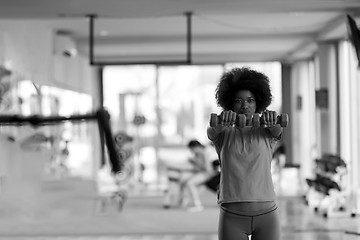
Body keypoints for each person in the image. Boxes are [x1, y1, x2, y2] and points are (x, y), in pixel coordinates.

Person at [207, 67, 283, 240]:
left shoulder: (266, 132)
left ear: (258, 104)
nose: (245, 105)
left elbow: (277, 129)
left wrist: (271, 119)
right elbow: (211, 130)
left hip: (267, 215)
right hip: (232, 216)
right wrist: (222, 120)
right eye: (238, 101)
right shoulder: (223, 133)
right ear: (230, 104)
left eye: (250, 100)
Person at [179, 139, 212, 212]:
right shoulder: (198, 154)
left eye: (191, 149)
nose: (191, 151)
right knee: (183, 179)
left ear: (195, 147)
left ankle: (197, 205)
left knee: (190, 183)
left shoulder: (204, 153)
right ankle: (183, 200)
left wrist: (194, 161)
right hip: (200, 173)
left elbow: (207, 168)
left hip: (206, 174)